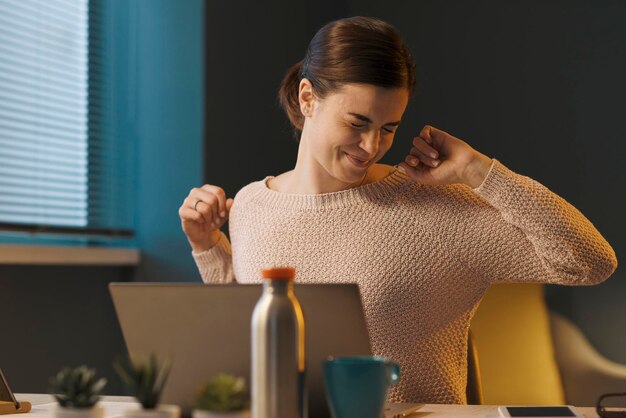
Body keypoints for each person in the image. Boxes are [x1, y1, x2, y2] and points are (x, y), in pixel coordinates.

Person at [178, 16, 617, 404]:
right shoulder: (252, 204)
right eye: (357, 123)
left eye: (388, 128)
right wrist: (207, 246)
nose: (371, 146)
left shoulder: (431, 210)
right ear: (307, 97)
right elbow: (249, 335)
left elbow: (589, 262)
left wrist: (479, 170)